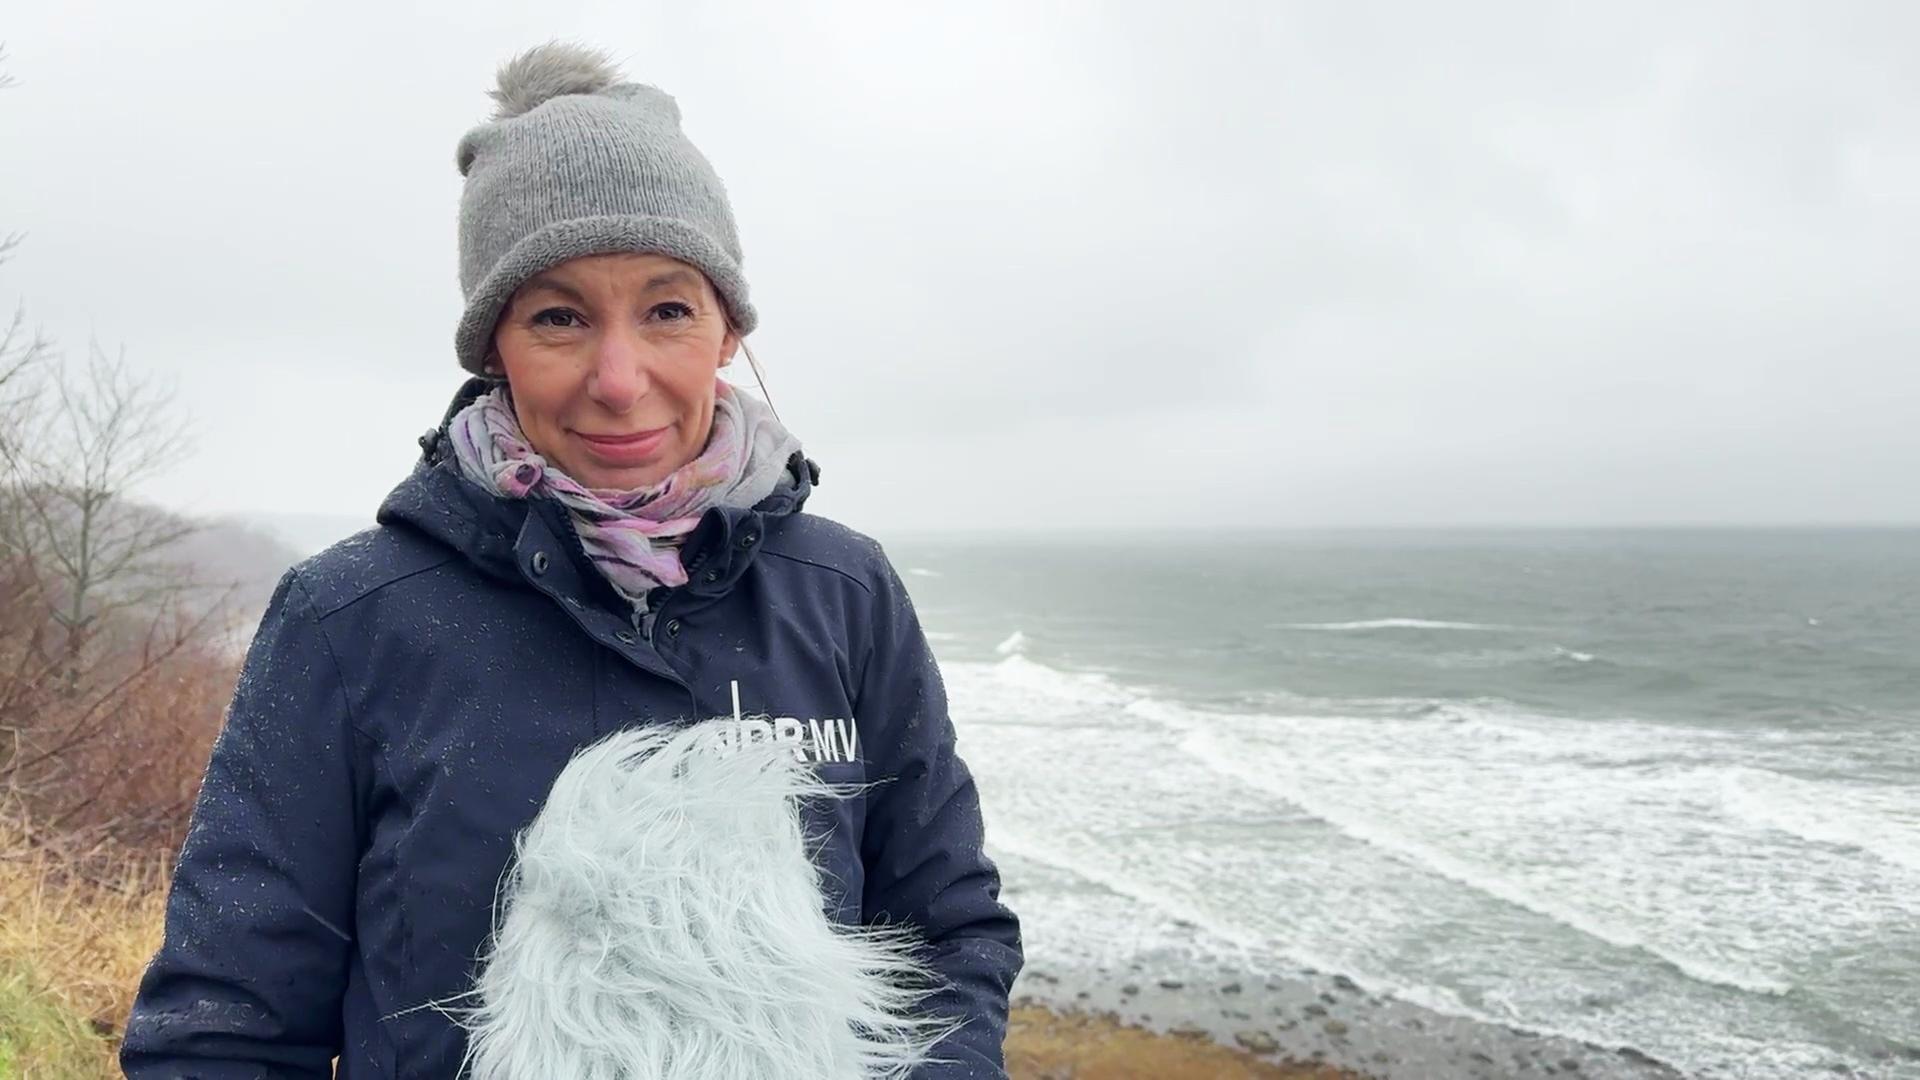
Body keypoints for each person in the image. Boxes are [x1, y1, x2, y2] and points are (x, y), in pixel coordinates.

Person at [120, 41, 1023, 1079]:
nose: (620, 379)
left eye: (668, 310)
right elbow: (228, 1024)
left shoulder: (845, 595)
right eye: (559, 317)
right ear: (493, 345)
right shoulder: (350, 617)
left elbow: (947, 933)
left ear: (727, 329)